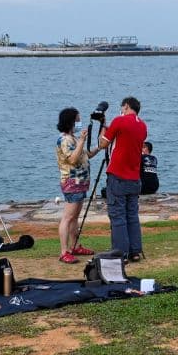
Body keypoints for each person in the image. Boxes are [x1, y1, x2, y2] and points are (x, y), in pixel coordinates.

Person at [99, 96, 148, 261]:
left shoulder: (119, 121)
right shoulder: (142, 126)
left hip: (118, 175)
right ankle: (135, 251)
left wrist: (103, 128)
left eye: (122, 107)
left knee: (117, 215)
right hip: (134, 177)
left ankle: (120, 253)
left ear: (126, 106)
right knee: (132, 215)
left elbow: (103, 144)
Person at [56, 107, 102, 264]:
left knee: (75, 217)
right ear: (70, 121)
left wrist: (99, 147)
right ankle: (64, 251)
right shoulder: (64, 140)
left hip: (81, 183)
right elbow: (73, 159)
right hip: (71, 182)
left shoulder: (73, 138)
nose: (79, 122)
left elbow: (85, 155)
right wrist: (82, 140)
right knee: (68, 217)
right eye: (77, 119)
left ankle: (74, 246)